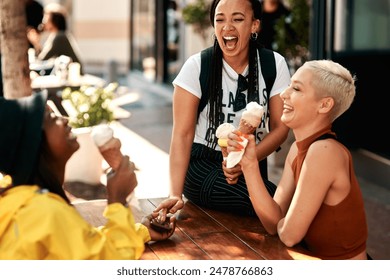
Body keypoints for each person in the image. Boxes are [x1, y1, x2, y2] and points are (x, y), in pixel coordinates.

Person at [155, 0, 290, 218]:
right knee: (277, 204)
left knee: (282, 204)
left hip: (252, 165)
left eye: (237, 19)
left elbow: (280, 128)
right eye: (220, 19)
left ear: (254, 25)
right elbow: (182, 134)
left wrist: (248, 159)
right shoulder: (197, 66)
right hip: (203, 164)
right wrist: (174, 194)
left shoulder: (274, 64)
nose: (227, 27)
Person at [0, 91, 176, 260]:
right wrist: (118, 200)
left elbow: (85, 244)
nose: (65, 119)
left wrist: (142, 230)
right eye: (52, 118)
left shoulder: (19, 198)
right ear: (33, 144)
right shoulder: (44, 212)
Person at [227, 60, 368, 259]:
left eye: (296, 88)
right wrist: (249, 165)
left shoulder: (325, 151)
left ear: (324, 104)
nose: (284, 94)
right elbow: (273, 223)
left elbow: (289, 235)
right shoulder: (297, 149)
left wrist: (286, 222)